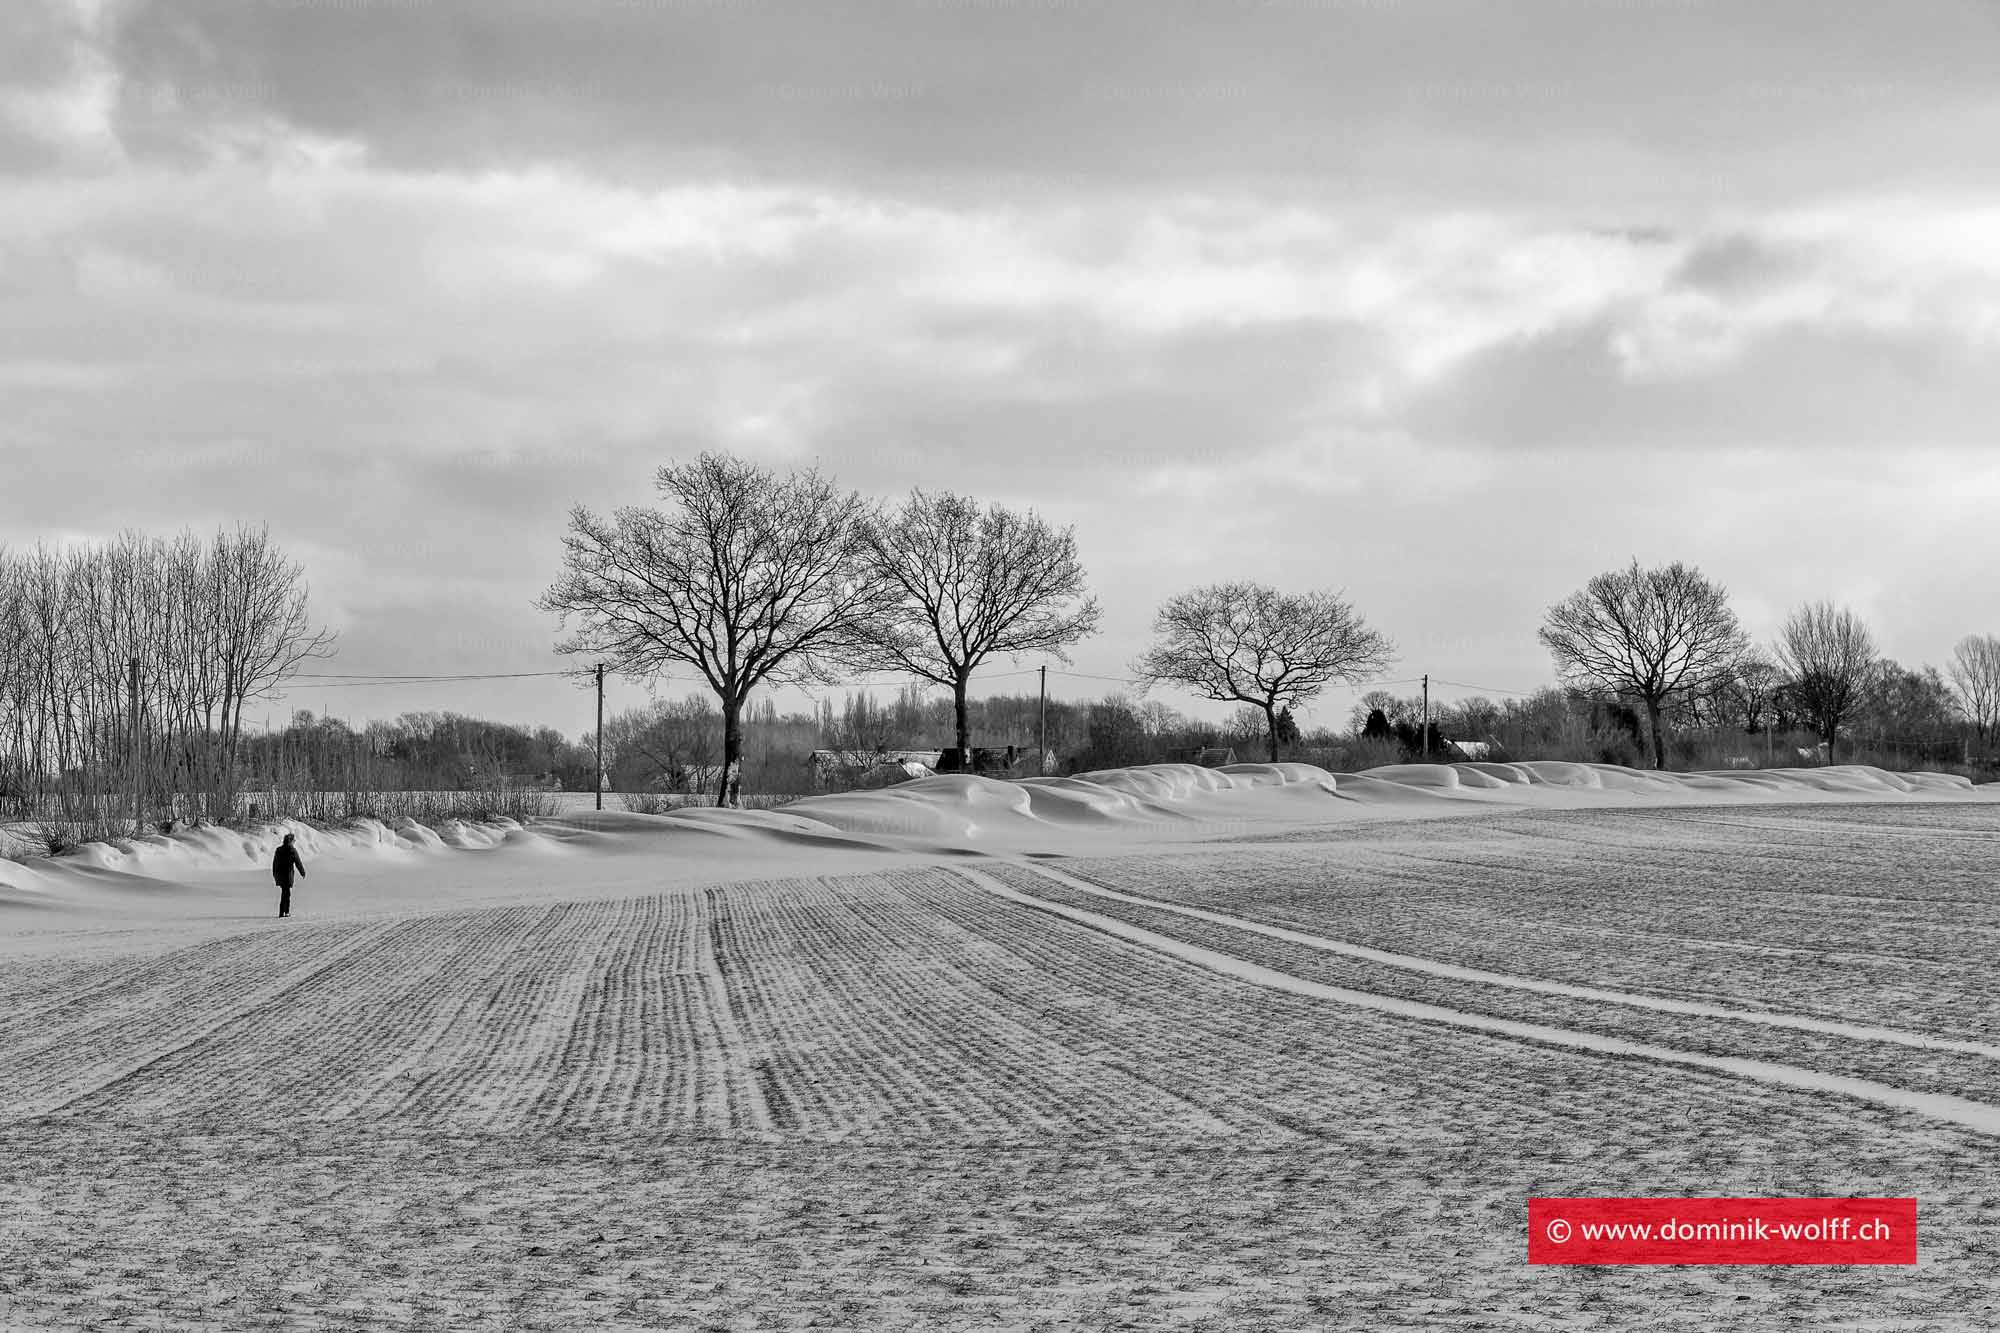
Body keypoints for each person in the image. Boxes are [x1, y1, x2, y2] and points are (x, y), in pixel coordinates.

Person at [272, 833, 305, 918]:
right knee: (286, 894)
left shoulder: (278, 850)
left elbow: (274, 863)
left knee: (285, 892)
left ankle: (283, 912)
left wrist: (274, 874)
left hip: (279, 874)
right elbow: (298, 862)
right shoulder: (292, 850)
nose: (294, 842)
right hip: (287, 875)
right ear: (290, 841)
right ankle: (285, 912)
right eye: (294, 840)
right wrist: (302, 872)